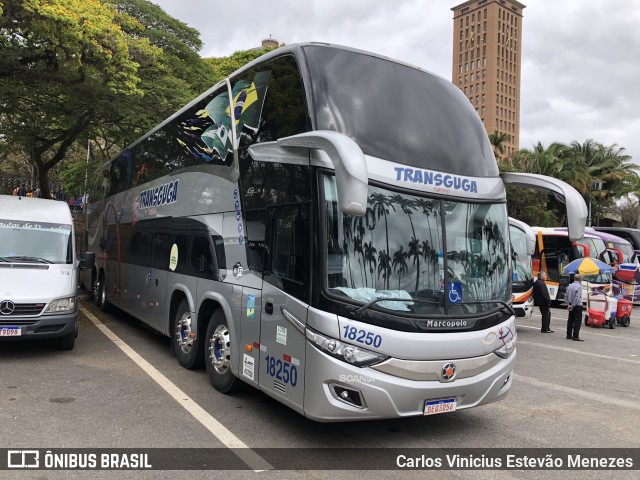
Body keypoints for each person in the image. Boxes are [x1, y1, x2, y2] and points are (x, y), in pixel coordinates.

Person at [565, 273, 584, 341]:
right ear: (580, 279)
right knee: (577, 321)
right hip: (577, 305)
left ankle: (568, 334)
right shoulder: (579, 287)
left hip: (570, 304)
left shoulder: (569, 286)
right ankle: (575, 335)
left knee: (570, 320)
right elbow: (577, 297)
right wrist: (573, 305)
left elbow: (566, 296)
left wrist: (568, 305)